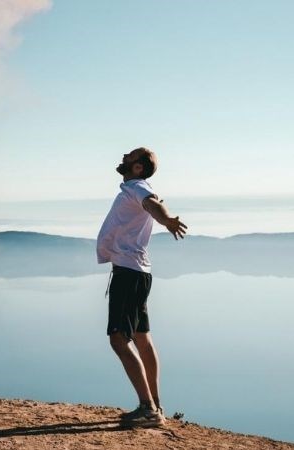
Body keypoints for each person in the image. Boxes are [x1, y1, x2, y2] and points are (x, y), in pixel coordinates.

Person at [96, 147, 187, 427]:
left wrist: (166, 219)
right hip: (135, 271)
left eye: (130, 156)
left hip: (129, 273)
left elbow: (152, 204)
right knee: (141, 336)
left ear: (137, 168)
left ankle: (148, 409)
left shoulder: (138, 187)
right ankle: (155, 405)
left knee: (119, 339)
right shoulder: (134, 188)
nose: (123, 157)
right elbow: (151, 203)